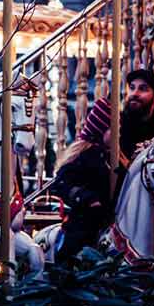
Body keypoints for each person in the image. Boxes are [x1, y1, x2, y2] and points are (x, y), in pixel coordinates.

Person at [51, 99, 114, 262]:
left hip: (109, 217)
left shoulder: (111, 156)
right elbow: (61, 183)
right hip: (86, 217)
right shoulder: (86, 155)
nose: (119, 132)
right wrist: (87, 198)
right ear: (101, 131)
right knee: (77, 246)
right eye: (113, 129)